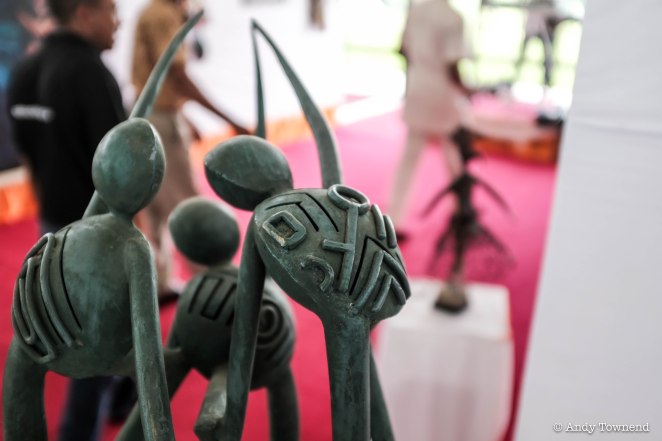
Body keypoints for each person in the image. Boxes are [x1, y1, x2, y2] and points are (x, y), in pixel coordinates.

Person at [6, 0, 126, 439]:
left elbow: (27, 153)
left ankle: (122, 396)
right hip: (97, 235)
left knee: (76, 327)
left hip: (51, 226)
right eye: (111, 10)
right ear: (84, 13)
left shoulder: (24, 71)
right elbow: (122, 170)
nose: (118, 22)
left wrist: (47, 205)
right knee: (94, 342)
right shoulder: (91, 74)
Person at [132, 0, 249, 302]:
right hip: (160, 120)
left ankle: (158, 282)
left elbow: (158, 78)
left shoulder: (155, 11)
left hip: (148, 115)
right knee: (188, 205)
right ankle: (211, 286)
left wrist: (183, 117)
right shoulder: (163, 15)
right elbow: (177, 76)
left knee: (154, 204)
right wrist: (230, 120)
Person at [389, 0, 472, 238]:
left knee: (409, 158)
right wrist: (465, 88)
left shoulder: (416, 11)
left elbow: (403, 49)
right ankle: (462, 213)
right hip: (441, 91)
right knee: (453, 156)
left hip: (418, 86)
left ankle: (393, 218)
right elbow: (452, 63)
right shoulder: (453, 17)